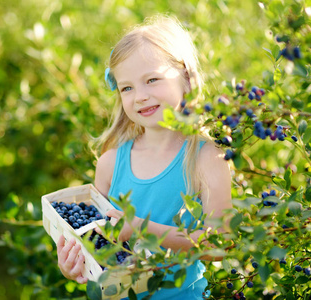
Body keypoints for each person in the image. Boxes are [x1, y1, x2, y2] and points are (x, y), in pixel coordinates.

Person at [57, 14, 232, 299]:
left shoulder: (206, 158)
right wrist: (72, 263)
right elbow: (94, 241)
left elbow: (220, 244)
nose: (140, 96)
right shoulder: (111, 163)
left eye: (152, 80)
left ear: (186, 79)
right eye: (127, 87)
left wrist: (141, 227)